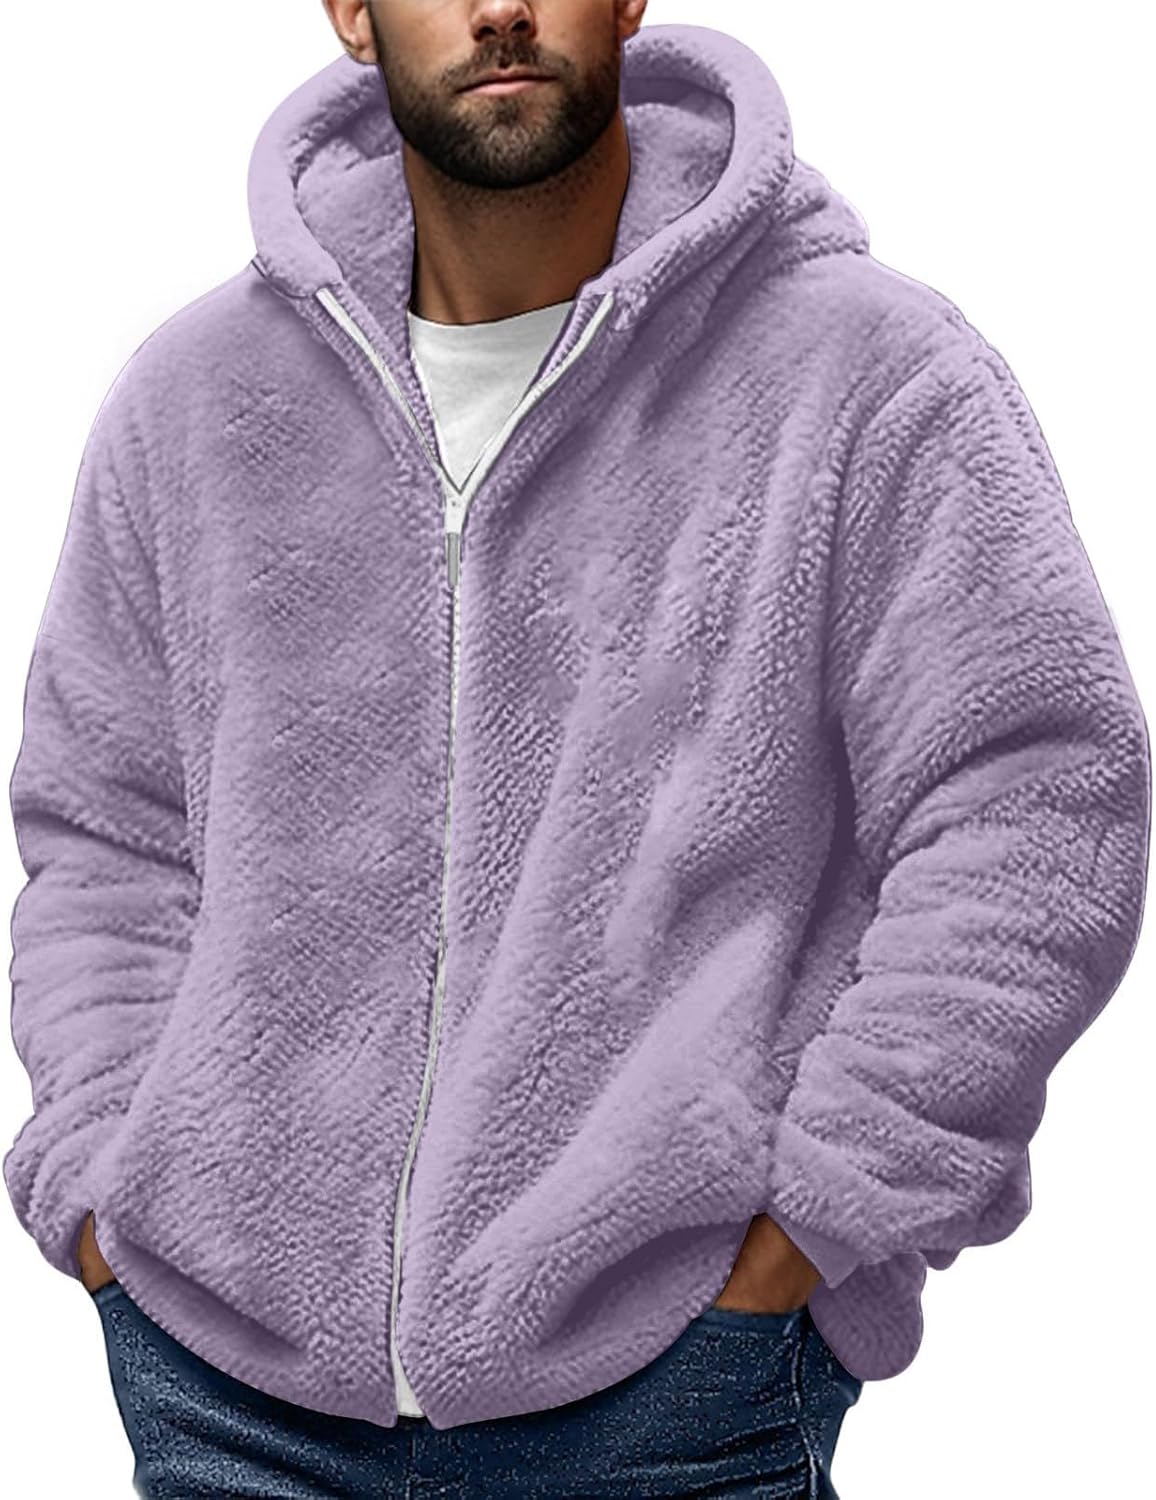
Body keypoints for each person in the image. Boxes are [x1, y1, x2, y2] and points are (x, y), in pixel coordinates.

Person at [5, 1, 1149, 1495]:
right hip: (229, 1390)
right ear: (351, 11)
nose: (499, 9)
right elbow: (104, 831)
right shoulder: (195, 399)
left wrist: (822, 1214)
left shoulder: (865, 372)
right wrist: (103, 1181)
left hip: (666, 1386)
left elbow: (1037, 796)